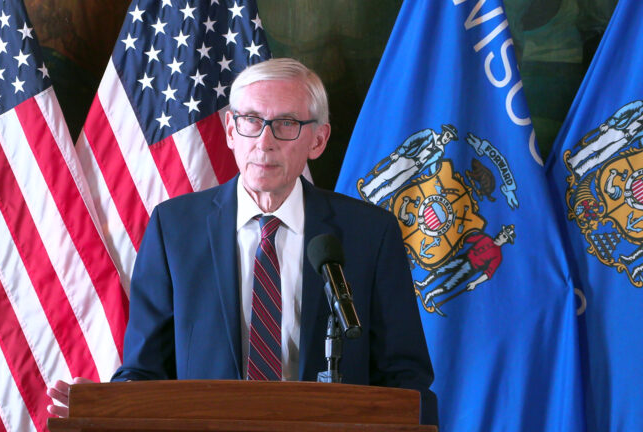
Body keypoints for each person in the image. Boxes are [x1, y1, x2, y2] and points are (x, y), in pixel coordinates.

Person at [47, 58, 437, 425]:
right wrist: (106, 404)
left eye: (286, 124)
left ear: (318, 140)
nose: (264, 142)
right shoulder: (175, 227)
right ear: (231, 131)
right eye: (251, 121)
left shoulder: (370, 232)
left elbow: (405, 375)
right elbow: (146, 370)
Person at [359, 124, 458, 206]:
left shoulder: (440, 151)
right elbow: (412, 139)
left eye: (450, 138)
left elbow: (432, 164)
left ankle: (374, 200)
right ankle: (366, 190)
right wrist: (399, 152)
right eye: (448, 135)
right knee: (386, 175)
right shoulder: (429, 133)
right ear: (444, 132)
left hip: (415, 168)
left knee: (394, 185)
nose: (447, 139)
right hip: (407, 158)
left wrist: (434, 177)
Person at [416, 225, 515, 306]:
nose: (501, 235)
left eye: (505, 236)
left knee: (449, 284)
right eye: (502, 233)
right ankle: (424, 284)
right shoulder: (485, 237)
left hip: (470, 269)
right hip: (463, 258)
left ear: (506, 241)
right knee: (441, 270)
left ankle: (430, 295)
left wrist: (475, 283)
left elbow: (488, 274)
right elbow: (467, 239)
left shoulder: (498, 256)